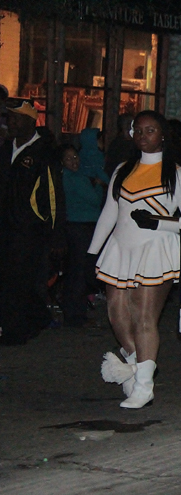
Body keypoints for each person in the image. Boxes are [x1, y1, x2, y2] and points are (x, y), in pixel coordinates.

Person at [89, 110, 181, 409]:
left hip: (156, 251)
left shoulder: (178, 175)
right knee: (117, 315)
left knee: (144, 318)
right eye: (138, 130)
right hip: (120, 250)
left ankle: (144, 384)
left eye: (150, 130)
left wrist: (159, 223)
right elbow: (109, 215)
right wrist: (92, 252)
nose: (142, 136)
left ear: (162, 134)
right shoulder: (122, 170)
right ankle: (136, 365)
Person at [0, 98, 66, 345]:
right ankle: (32, 319)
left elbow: (54, 196)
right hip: (6, 227)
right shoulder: (7, 148)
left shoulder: (42, 153)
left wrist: (57, 235)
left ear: (29, 121)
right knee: (9, 279)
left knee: (20, 281)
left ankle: (17, 331)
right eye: (8, 118)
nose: (10, 123)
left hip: (29, 230)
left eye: (14, 118)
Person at [60, 144, 108, 327]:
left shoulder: (71, 177)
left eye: (75, 157)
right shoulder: (74, 179)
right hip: (81, 227)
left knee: (76, 271)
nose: (74, 161)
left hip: (77, 226)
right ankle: (76, 316)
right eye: (69, 158)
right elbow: (94, 201)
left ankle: (74, 313)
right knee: (79, 272)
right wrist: (97, 186)